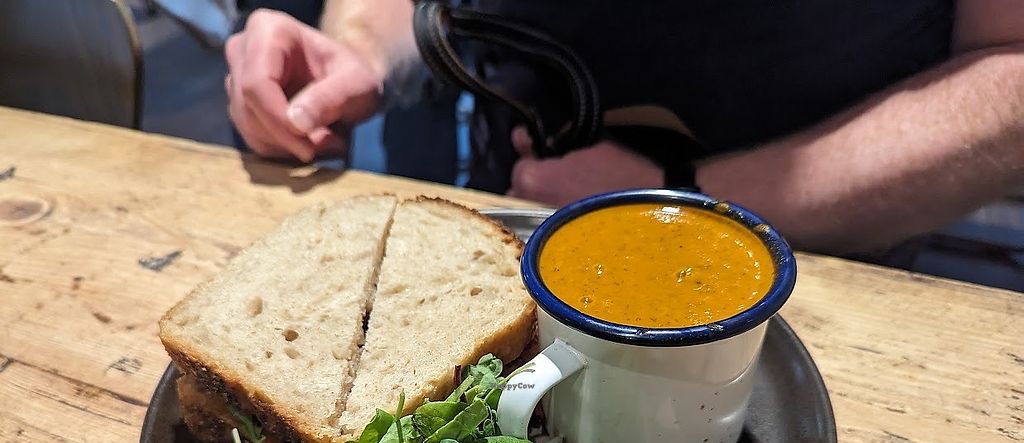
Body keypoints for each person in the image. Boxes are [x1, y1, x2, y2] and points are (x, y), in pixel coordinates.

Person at [224, 0, 1024, 256]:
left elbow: (1010, 66)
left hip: (817, 264)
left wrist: (682, 197)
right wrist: (361, 46)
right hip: (513, 208)